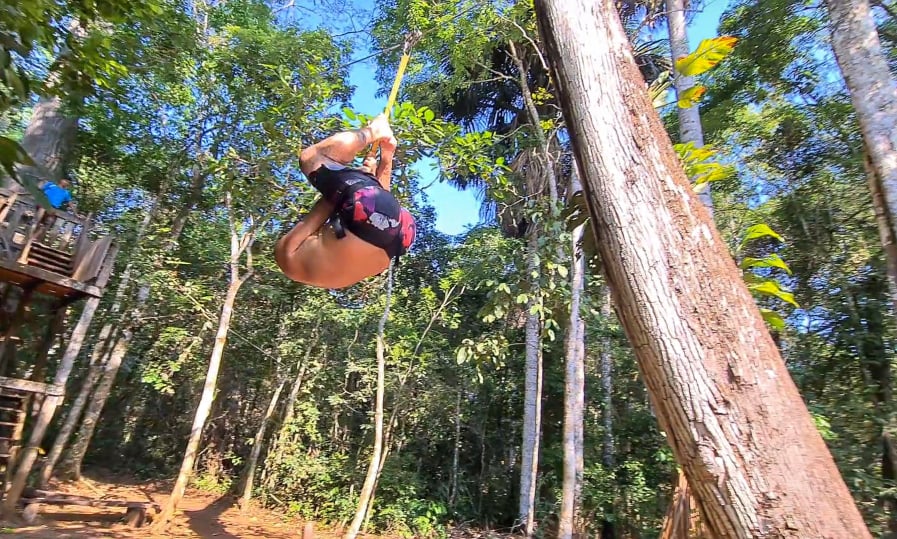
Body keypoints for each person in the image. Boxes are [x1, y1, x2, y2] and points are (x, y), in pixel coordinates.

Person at [275, 114, 416, 289]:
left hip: (399, 237)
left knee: (377, 209)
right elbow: (329, 202)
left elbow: (382, 214)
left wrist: (383, 161)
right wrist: (359, 179)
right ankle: (373, 131)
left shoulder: (339, 281)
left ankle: (389, 150)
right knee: (312, 158)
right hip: (371, 218)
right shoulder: (287, 257)